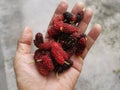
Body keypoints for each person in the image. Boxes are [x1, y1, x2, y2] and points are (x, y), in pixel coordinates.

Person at [14, 0, 101, 90]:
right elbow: (54, 47)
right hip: (58, 46)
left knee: (59, 46)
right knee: (56, 46)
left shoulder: (63, 41)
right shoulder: (54, 46)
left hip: (61, 44)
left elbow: (58, 47)